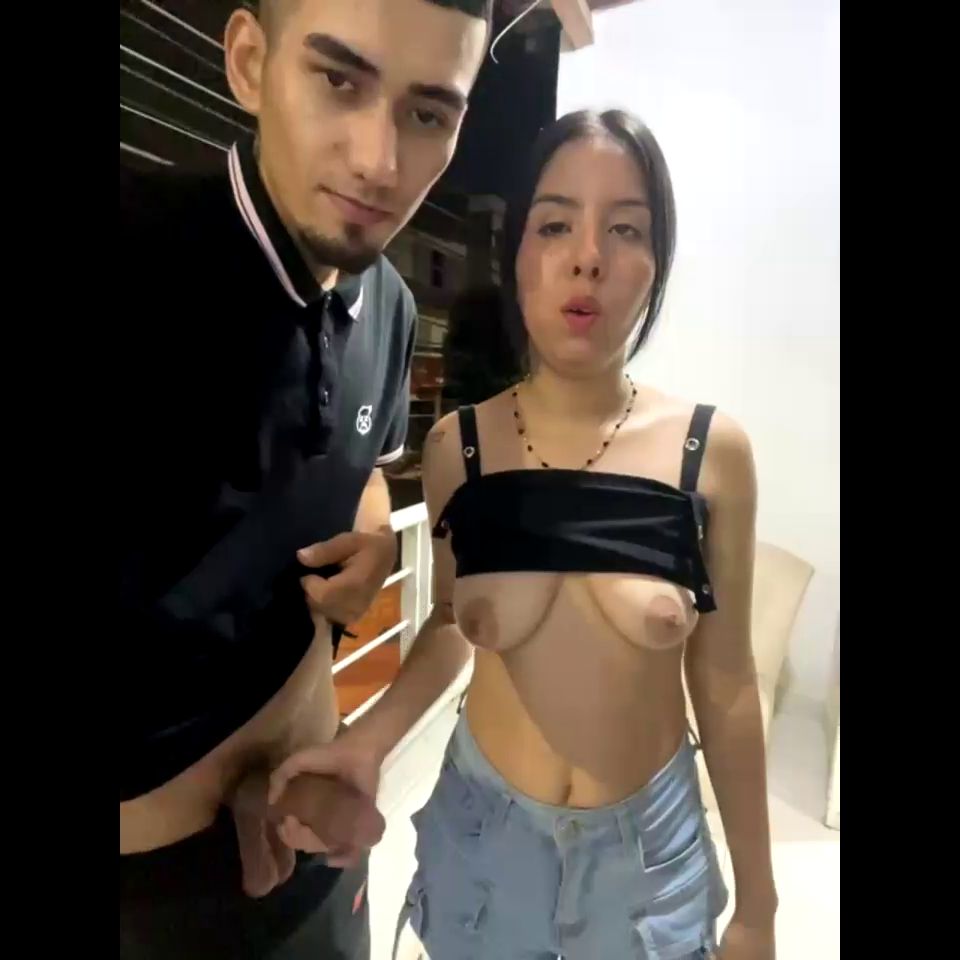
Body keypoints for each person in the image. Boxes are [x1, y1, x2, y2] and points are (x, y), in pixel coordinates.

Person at [277, 109, 779, 959]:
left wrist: (758, 907)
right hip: (484, 843)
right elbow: (449, 625)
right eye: (555, 225)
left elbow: (727, 684)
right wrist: (366, 743)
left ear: (656, 264)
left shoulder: (710, 453)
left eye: (626, 228)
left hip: (647, 862)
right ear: (516, 258)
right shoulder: (461, 448)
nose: (588, 256)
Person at [117, 1, 490, 957]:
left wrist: (371, 540)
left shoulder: (389, 306)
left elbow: (360, 473)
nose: (380, 160)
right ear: (249, 62)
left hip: (316, 835)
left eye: (427, 113)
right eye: (338, 79)